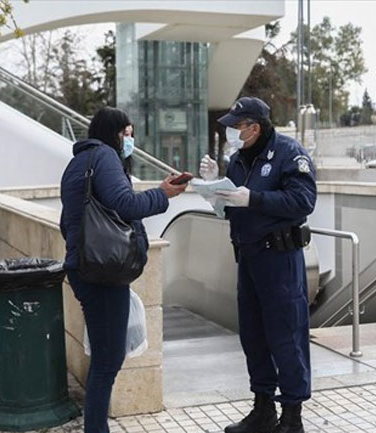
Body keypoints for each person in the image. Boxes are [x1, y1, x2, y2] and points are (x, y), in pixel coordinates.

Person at [60, 107, 187, 433]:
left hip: (85, 268)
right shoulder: (104, 157)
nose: (130, 140)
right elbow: (126, 204)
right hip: (101, 273)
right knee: (107, 361)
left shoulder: (79, 162)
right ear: (113, 132)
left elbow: (69, 221)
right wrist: (163, 195)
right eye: (127, 134)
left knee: (105, 357)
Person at [199, 97, 316, 433]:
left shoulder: (288, 153)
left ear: (255, 126)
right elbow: (231, 208)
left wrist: (254, 198)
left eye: (237, 127)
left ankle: (292, 417)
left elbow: (303, 200)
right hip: (248, 258)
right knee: (254, 336)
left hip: (279, 259)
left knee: (286, 336)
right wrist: (214, 190)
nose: (232, 133)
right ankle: (263, 409)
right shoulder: (238, 160)